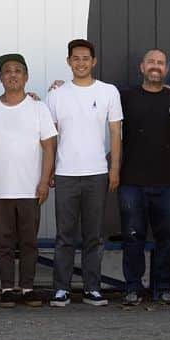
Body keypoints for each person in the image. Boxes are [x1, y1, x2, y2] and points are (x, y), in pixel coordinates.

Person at [0, 54, 57, 308]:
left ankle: (28, 288)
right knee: (4, 242)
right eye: (7, 71)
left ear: (26, 76)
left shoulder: (38, 108)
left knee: (29, 241)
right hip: (1, 189)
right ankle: (8, 288)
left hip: (30, 188)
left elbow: (49, 147)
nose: (12, 75)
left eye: (18, 71)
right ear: (0, 78)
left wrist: (44, 181)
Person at [46, 39, 122, 307]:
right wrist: (50, 169)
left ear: (94, 61)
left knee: (94, 235)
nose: (80, 63)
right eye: (75, 58)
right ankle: (61, 289)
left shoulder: (108, 92)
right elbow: (50, 136)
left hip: (97, 173)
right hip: (66, 173)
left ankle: (92, 288)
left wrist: (114, 169)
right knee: (65, 235)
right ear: (68, 62)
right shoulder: (55, 94)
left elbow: (115, 133)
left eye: (85, 58)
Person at [118, 49, 170, 305]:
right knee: (133, 236)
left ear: (166, 69)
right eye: (151, 62)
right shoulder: (125, 97)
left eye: (160, 63)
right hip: (131, 182)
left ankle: (163, 286)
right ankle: (132, 287)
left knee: (166, 238)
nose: (155, 66)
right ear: (141, 67)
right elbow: (93, 100)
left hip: (168, 183)